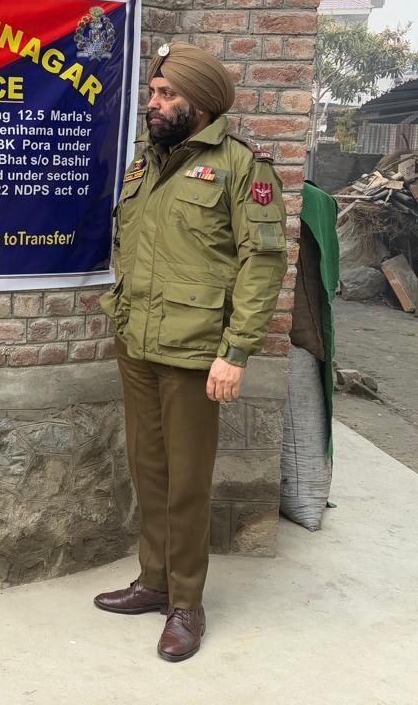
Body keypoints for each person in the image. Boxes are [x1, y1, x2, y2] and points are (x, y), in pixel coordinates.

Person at [96, 42, 287, 662]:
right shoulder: (145, 164)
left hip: (196, 352)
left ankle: (186, 603)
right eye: (153, 92)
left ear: (199, 104)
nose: (153, 103)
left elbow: (262, 264)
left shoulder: (241, 168)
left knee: (187, 481)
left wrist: (237, 351)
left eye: (167, 94)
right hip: (138, 342)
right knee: (148, 469)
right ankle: (153, 581)